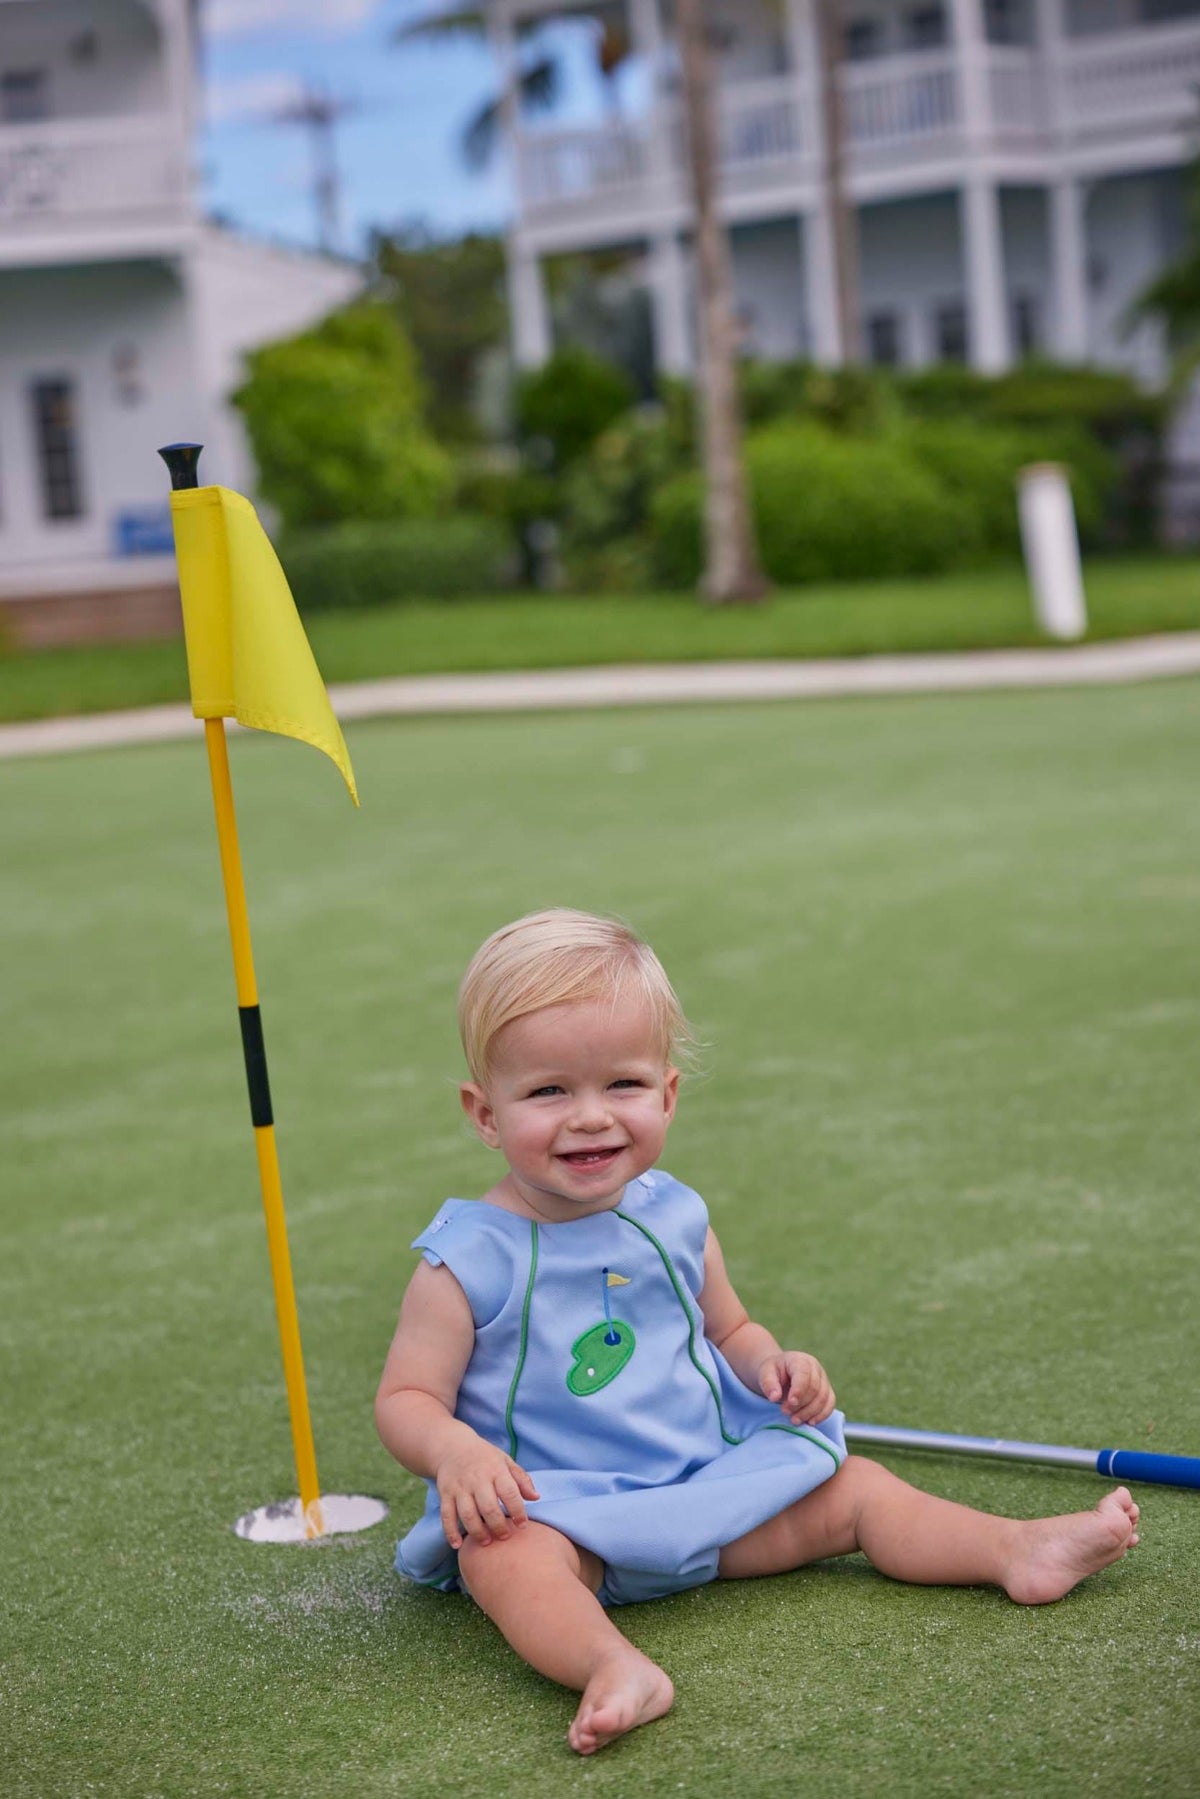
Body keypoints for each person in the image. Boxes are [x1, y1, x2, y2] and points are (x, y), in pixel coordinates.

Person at [375, 909, 1140, 1757]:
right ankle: (612, 1663)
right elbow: (408, 1398)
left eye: (621, 1085)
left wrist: (774, 1362)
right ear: (486, 1113)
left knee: (858, 1488)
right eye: (548, 1090)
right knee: (499, 1556)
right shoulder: (465, 1258)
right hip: (572, 1516)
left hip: (712, 1488)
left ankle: (1014, 1548)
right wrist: (456, 1455)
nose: (590, 1117)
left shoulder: (675, 1215)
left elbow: (729, 1324)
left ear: (666, 1092)